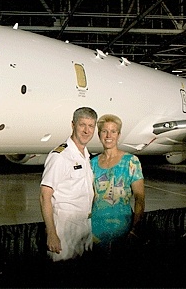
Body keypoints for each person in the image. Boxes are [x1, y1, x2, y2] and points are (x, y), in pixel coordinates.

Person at [40, 106, 98, 262]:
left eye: (91, 126)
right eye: (82, 125)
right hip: (65, 227)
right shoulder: (60, 156)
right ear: (73, 125)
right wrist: (52, 233)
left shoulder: (86, 155)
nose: (87, 130)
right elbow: (45, 196)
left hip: (85, 225)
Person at [90, 114, 145, 253]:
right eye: (104, 131)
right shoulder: (92, 164)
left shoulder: (131, 161)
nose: (108, 135)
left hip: (124, 230)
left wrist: (135, 229)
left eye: (113, 131)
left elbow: (139, 198)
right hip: (96, 231)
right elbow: (89, 199)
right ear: (99, 134)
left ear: (119, 135)